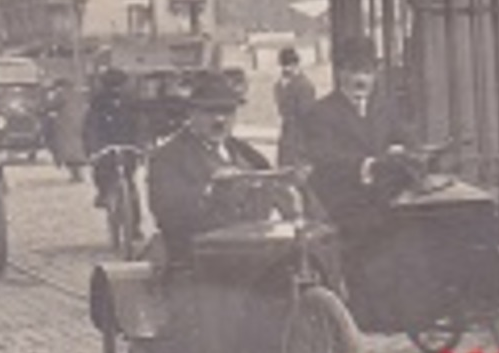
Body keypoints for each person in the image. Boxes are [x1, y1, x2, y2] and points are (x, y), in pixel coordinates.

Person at [145, 70, 271, 266]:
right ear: (192, 114)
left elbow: (273, 182)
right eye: (210, 112)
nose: (220, 120)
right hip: (200, 263)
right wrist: (210, 189)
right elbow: (167, 213)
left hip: (256, 255)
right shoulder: (167, 158)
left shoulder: (247, 154)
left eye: (227, 111)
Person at [299, 35, 413, 242]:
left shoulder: (385, 108)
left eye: (367, 72)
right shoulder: (321, 112)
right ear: (340, 72)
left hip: (386, 202)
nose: (361, 80)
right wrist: (368, 165)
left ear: (376, 74)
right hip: (343, 207)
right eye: (353, 71)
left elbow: (404, 138)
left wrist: (399, 149)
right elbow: (324, 158)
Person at [82, 68, 140, 208]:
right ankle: (106, 194)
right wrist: (93, 149)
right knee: (109, 173)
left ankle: (130, 220)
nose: (116, 90)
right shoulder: (99, 104)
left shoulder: (129, 103)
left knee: (126, 180)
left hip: (122, 145)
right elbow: (91, 128)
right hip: (111, 145)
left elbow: (138, 124)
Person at [273, 46, 316, 167]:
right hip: (287, 134)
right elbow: (281, 109)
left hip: (300, 135)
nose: (287, 69)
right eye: (284, 65)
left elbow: (307, 114)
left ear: (297, 64)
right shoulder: (280, 85)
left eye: (291, 65)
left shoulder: (304, 85)